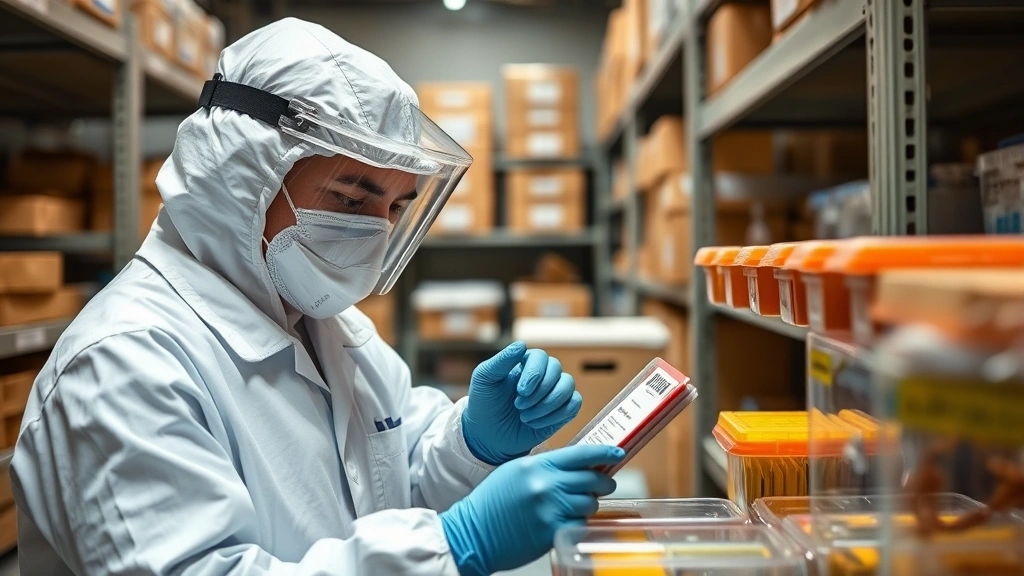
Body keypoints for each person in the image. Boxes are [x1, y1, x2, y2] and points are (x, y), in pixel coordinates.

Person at [10, 18, 623, 576]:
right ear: (242, 178)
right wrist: (457, 544)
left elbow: (393, 488)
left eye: (395, 207)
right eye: (353, 201)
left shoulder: (334, 329)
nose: (377, 229)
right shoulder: (124, 365)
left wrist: (471, 445)